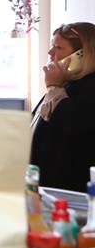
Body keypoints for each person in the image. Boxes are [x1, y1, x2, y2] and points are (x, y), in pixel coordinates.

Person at [31, 22, 95, 192]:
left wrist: (54, 88)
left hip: (68, 190)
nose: (50, 53)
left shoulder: (87, 87)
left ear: (82, 55)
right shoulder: (66, 84)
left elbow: (74, 124)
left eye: (58, 48)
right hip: (45, 185)